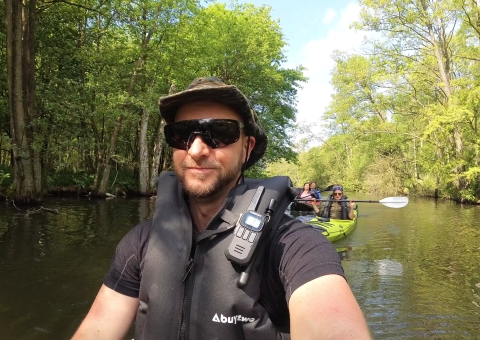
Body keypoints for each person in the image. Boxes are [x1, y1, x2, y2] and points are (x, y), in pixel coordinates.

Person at [71, 77, 371, 339]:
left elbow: (332, 324)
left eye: (221, 132)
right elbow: (97, 329)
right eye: (182, 134)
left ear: (247, 148)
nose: (197, 149)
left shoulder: (293, 246)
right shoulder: (140, 243)